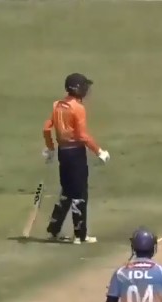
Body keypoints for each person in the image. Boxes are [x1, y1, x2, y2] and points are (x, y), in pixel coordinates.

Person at [42, 73, 110, 244]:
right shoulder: (78, 108)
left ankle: (53, 230)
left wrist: (50, 148)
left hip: (63, 153)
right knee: (79, 193)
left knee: (66, 192)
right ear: (78, 89)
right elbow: (82, 135)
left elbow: (46, 128)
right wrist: (99, 151)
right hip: (76, 153)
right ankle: (80, 235)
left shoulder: (57, 105)